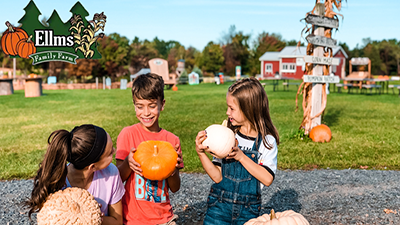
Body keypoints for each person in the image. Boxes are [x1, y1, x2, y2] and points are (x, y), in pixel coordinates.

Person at [195, 77, 279, 225]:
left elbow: (267, 179)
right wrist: (201, 153)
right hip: (218, 208)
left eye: (232, 108)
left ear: (249, 109)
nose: (227, 112)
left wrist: (241, 156)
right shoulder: (227, 136)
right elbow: (217, 177)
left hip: (248, 211)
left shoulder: (266, 142)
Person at [116, 73, 184, 225]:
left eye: (152, 106)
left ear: (162, 104)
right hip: (133, 219)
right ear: (134, 106)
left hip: (164, 218)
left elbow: (175, 187)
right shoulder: (128, 135)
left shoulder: (172, 141)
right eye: (140, 106)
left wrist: (173, 171)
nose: (146, 113)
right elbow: (117, 179)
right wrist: (128, 163)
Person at [26, 124, 125, 225]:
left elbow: (117, 221)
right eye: (109, 153)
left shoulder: (111, 173)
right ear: (92, 167)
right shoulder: (57, 181)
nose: (114, 151)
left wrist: (94, 216)